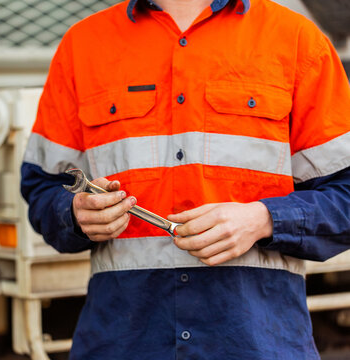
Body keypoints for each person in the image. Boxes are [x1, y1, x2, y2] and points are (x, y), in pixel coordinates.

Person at [21, 0, 350, 358]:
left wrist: (263, 220)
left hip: (254, 343)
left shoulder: (296, 40)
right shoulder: (83, 45)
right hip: (125, 342)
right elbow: (43, 188)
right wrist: (74, 212)